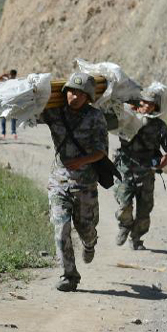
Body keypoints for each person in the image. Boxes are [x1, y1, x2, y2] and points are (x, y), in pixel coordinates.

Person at [40, 72, 108, 292]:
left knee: (86, 228)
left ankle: (90, 243)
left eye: (79, 93)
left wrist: (82, 161)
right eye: (70, 91)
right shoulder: (54, 113)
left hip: (85, 184)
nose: (73, 96)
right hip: (59, 182)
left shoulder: (95, 117)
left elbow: (101, 151)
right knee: (61, 228)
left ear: (87, 96)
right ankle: (69, 275)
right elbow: (29, 110)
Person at [114, 86, 167, 250]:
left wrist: (164, 161)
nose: (147, 106)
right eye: (144, 102)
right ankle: (125, 226)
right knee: (124, 207)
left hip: (146, 173)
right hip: (125, 169)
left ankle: (136, 239)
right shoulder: (127, 118)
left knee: (144, 211)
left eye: (151, 103)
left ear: (155, 106)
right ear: (138, 101)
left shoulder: (158, 126)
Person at [0, 69, 18, 139]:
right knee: (4, 117)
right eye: (11, 74)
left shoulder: (16, 82)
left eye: (12, 75)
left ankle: (13, 132)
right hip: (6, 101)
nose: (11, 76)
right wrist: (4, 75)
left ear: (14, 75)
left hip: (12, 101)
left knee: (13, 118)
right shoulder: (6, 80)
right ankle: (4, 133)